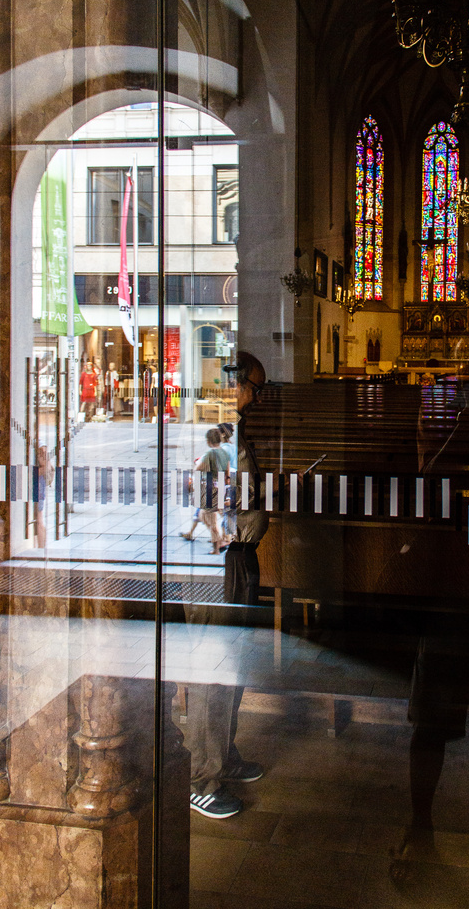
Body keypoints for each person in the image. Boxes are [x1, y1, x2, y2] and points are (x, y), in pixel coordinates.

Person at [187, 351, 267, 820]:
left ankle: (223, 756)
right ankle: (202, 777)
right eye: (256, 388)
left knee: (231, 669)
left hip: (237, 560)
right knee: (211, 674)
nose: (258, 397)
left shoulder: (230, 431)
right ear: (236, 387)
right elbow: (208, 509)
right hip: (217, 563)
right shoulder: (213, 433)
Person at [182, 427, 230, 553]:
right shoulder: (225, 453)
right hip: (220, 486)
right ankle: (222, 539)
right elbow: (227, 473)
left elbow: (198, 468)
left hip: (210, 487)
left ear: (209, 441)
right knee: (205, 514)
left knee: (208, 517)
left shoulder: (210, 454)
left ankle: (217, 546)